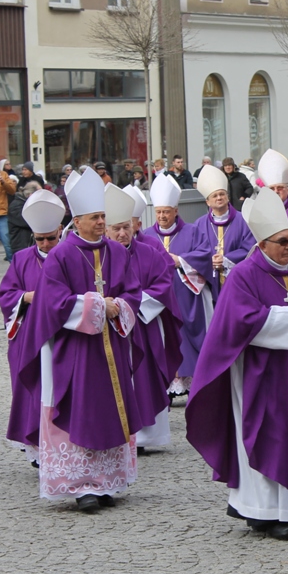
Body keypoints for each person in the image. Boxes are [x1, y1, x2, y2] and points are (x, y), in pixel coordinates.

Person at [186, 187, 288, 540]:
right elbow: (239, 322)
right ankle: (263, 511)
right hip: (260, 374)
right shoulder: (244, 275)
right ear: (262, 244)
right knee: (268, 434)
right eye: (282, 242)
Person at [16, 167, 142, 513]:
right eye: (94, 218)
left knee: (108, 408)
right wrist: (99, 305)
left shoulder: (117, 252)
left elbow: (133, 292)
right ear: (77, 221)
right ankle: (81, 484)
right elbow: (51, 302)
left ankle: (106, 482)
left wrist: (121, 307)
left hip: (111, 348)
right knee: (79, 409)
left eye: (103, 216)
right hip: (74, 351)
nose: (101, 222)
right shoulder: (61, 254)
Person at [105, 184, 183, 454]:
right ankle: (116, 433)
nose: (122, 233)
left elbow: (163, 286)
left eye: (126, 227)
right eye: (117, 228)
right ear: (106, 230)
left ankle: (145, 438)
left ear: (135, 226)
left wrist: (129, 306)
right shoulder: (98, 257)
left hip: (145, 326)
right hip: (109, 329)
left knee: (145, 375)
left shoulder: (149, 252)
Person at [0, 189, 65, 468]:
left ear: (60, 231)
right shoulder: (22, 259)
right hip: (30, 340)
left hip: (64, 337)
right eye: (40, 239)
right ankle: (38, 446)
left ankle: (65, 446)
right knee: (33, 391)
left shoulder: (71, 255)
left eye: (51, 238)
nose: (46, 244)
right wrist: (26, 297)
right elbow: (6, 294)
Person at [142, 174, 215, 396]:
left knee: (186, 338)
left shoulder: (192, 231)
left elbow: (205, 255)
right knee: (163, 337)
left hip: (186, 296)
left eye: (166, 212)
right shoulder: (146, 235)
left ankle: (192, 382)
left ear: (175, 211)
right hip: (159, 300)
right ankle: (167, 387)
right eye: (158, 212)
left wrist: (180, 261)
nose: (162, 216)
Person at [195, 164, 257, 308]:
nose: (219, 198)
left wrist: (226, 260)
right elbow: (195, 252)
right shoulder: (199, 224)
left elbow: (251, 248)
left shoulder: (243, 220)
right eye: (215, 195)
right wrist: (208, 261)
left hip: (238, 282)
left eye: (222, 194)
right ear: (207, 201)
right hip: (209, 283)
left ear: (228, 197)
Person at [7, 182, 41, 254]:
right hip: (22, 246)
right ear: (30, 195)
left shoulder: (27, 204)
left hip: (28, 244)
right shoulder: (16, 206)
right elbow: (27, 222)